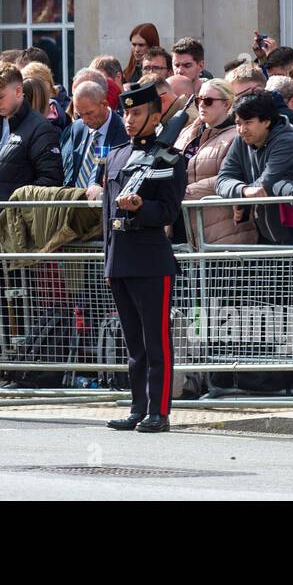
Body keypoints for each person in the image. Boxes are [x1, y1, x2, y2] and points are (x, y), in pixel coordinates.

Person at [101, 82, 189, 433]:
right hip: (120, 258)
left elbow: (168, 211)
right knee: (133, 343)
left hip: (151, 260)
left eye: (137, 113)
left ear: (155, 116)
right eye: (126, 112)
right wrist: (108, 261)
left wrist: (141, 207)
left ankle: (159, 410)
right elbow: (106, 212)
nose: (129, 119)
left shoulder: (169, 157)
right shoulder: (116, 154)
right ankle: (138, 406)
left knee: (156, 341)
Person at [215, 90, 293, 246]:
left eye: (248, 122)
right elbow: (222, 180)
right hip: (266, 235)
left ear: (266, 121)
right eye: (238, 123)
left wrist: (243, 200)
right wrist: (243, 191)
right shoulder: (240, 141)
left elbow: (267, 184)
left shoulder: (287, 141)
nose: (242, 129)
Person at [175, 78, 255, 246]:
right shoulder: (186, 132)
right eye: (199, 100)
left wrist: (182, 192)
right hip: (184, 227)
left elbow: (227, 177)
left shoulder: (237, 136)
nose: (202, 105)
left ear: (227, 104)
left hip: (222, 231)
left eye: (208, 101)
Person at [0, 62, 63, 203]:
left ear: (18, 91)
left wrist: (18, 212)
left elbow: (50, 181)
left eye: (0, 97)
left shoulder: (41, 128)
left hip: (17, 222)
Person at [61, 79, 127, 188]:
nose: (85, 120)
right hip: (75, 200)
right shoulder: (77, 128)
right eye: (80, 115)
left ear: (104, 104)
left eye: (89, 113)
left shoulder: (124, 131)